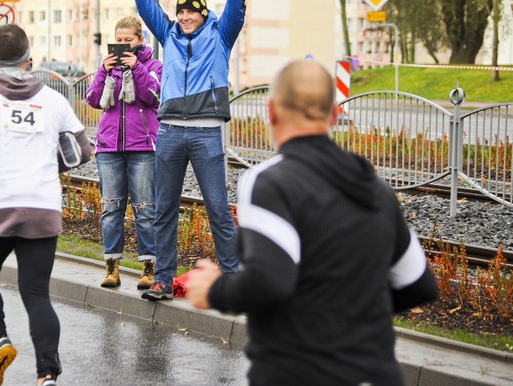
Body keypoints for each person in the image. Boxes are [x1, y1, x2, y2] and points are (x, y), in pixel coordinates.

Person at [184, 60, 439, 386]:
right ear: (333, 114)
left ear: (272, 111)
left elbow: (270, 279)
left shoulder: (268, 182)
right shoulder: (377, 189)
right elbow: (420, 285)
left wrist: (216, 290)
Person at [0, 24, 92, 386]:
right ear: (30, 60)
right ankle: (47, 375)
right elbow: (84, 148)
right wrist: (47, 166)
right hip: (41, 207)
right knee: (37, 293)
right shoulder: (54, 99)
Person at [121, 0, 247, 300]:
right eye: (181, 10)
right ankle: (162, 279)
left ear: (203, 13)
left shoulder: (221, 35)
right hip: (171, 131)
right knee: (165, 209)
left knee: (218, 210)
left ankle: (234, 279)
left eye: (191, 10)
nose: (184, 16)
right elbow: (146, 6)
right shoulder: (168, 34)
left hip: (207, 133)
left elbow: (237, 8)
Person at [84, 16, 162, 289]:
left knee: (145, 210)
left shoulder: (153, 66)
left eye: (128, 40)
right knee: (111, 209)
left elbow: (153, 97)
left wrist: (137, 68)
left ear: (141, 40)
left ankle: (148, 269)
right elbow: (94, 100)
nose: (122, 45)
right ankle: (112, 267)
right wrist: (103, 72)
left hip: (142, 148)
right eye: (118, 40)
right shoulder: (108, 68)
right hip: (109, 147)